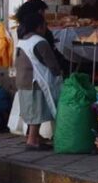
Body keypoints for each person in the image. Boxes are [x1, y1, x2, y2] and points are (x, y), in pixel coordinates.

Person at [15, 11, 63, 150]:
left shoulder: (23, 40)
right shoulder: (39, 41)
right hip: (35, 81)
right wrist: (59, 73)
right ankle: (32, 141)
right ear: (39, 27)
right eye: (44, 25)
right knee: (36, 112)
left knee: (33, 111)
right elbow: (52, 63)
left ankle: (35, 137)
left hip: (23, 81)